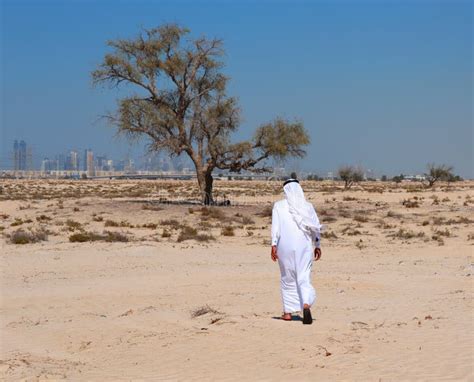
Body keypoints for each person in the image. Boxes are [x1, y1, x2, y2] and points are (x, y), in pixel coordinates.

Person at [270, 178, 322, 325]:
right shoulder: (307, 206)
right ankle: (305, 303)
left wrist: (273, 245)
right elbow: (315, 227)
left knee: (287, 277)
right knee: (303, 277)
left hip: (284, 247)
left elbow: (276, 228)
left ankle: (287, 313)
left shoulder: (279, 206)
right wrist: (317, 244)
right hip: (304, 246)